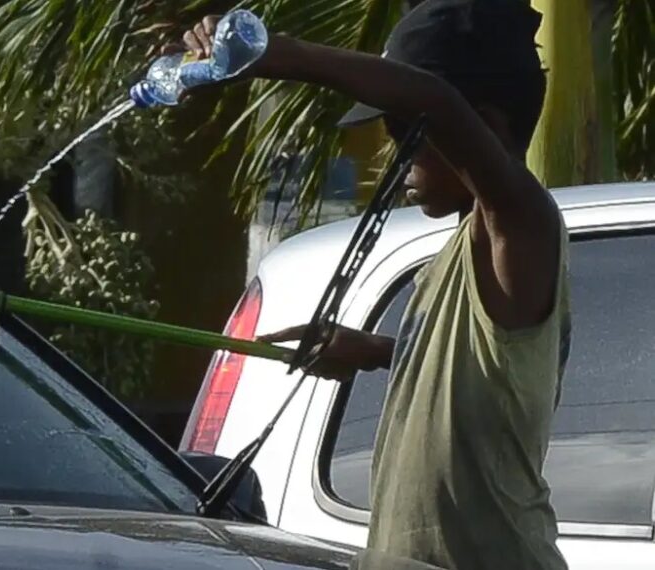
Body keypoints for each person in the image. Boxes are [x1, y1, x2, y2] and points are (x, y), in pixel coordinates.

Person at [166, 1, 570, 569]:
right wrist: (378, 351)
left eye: (403, 132)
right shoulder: (461, 254)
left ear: (484, 127)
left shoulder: (522, 225)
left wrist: (275, 53)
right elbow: (486, 371)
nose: (389, 153)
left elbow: (436, 102)